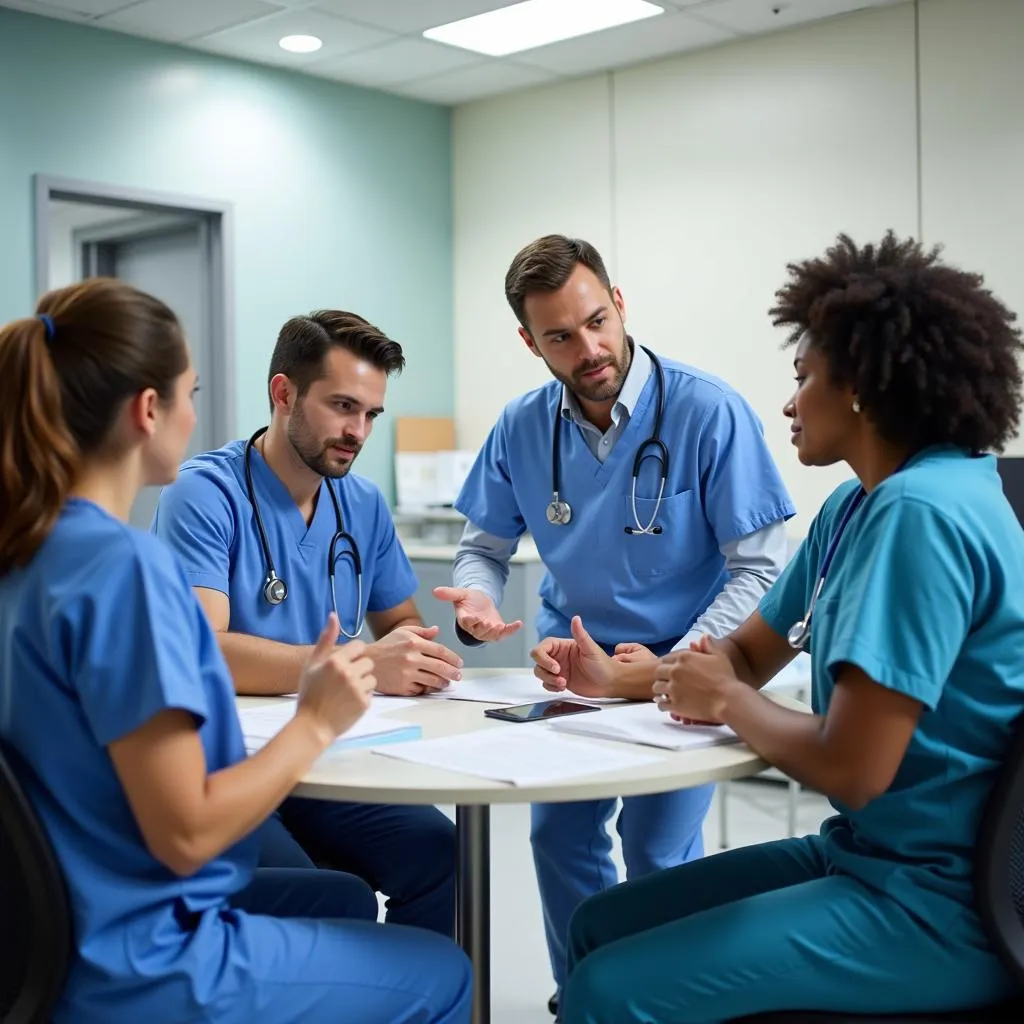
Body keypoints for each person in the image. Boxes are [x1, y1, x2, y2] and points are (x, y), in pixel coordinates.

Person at [560, 231, 1024, 1023]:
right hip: (866, 855)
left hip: (939, 902)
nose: (788, 401)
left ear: (864, 390)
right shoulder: (856, 508)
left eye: (803, 377)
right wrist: (626, 677)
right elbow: (742, 654)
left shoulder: (922, 515)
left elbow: (853, 768)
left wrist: (731, 702)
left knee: (609, 987)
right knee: (599, 923)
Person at [0, 279, 471, 1024]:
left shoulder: (28, 550)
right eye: (190, 391)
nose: (196, 412)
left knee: (349, 895)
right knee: (444, 970)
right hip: (145, 950)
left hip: (55, 923)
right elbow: (187, 833)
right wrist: (315, 719)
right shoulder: (123, 566)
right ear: (148, 412)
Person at [434, 234, 796, 1009]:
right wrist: (478, 598)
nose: (588, 348)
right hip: (572, 666)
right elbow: (483, 548)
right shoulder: (522, 426)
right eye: (560, 337)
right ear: (530, 342)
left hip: (687, 664)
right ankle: (584, 995)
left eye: (597, 320)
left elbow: (762, 567)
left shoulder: (708, 410)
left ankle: (660, 997)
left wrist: (682, 663)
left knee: (657, 846)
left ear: (619, 303)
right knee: (558, 839)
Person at [152, 309, 459, 937]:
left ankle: (411, 999)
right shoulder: (203, 495)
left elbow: (402, 624)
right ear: (283, 392)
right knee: (325, 897)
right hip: (227, 764)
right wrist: (357, 666)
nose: (359, 432)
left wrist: (427, 650)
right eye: (343, 406)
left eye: (371, 413)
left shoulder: (362, 503)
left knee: (442, 854)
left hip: (332, 756)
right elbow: (201, 648)